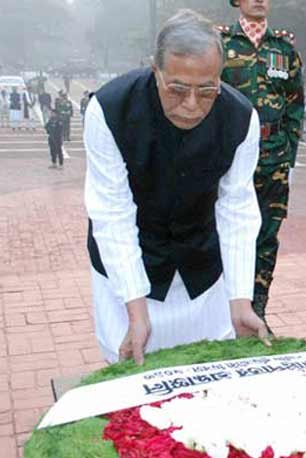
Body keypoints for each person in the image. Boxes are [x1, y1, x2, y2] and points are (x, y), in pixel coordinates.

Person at [85, 9, 268, 365]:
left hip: (201, 264)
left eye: (207, 90)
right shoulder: (108, 110)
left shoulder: (241, 117)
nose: (191, 105)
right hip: (129, 263)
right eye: (178, 89)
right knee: (131, 374)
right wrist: (136, 313)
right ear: (156, 71)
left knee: (208, 368)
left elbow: (237, 209)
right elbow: (112, 213)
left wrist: (240, 299)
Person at [220, 0, 304, 331]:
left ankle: (258, 309)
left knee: (267, 235)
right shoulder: (222, 44)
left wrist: (290, 156)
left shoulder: (284, 48)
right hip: (231, 156)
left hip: (274, 157)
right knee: (225, 232)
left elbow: (295, 105)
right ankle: (226, 310)